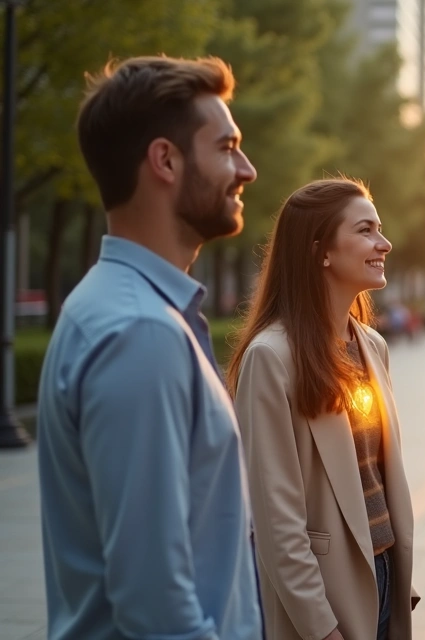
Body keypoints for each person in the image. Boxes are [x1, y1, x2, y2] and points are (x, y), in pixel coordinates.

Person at [36, 56, 262, 639]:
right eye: (227, 146)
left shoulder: (111, 307)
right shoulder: (143, 333)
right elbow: (155, 605)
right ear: (165, 159)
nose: (248, 169)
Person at [227, 179, 418, 640]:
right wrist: (321, 629)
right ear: (321, 251)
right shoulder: (271, 357)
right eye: (366, 230)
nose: (384, 243)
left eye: (380, 229)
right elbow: (276, 521)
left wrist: (399, 579)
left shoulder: (372, 345)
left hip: (386, 577)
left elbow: (381, 475)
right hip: (323, 596)